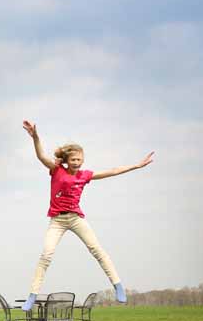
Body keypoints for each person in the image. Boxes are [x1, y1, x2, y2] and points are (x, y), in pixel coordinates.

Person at [20, 120, 154, 311]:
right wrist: (35, 137)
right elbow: (41, 156)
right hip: (57, 220)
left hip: (75, 218)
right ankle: (32, 296)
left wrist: (137, 166)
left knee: (96, 249)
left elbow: (113, 171)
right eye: (73, 160)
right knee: (46, 255)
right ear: (67, 160)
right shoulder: (56, 170)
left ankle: (118, 286)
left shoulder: (85, 175)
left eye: (80, 160)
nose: (77, 163)